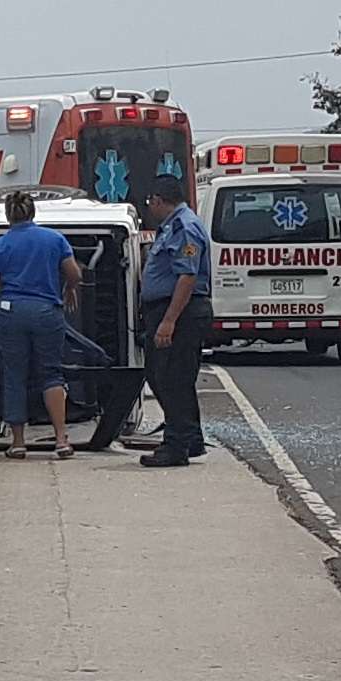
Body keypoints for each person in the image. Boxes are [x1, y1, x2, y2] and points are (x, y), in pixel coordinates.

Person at [0, 191, 82, 459]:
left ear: (8, 215)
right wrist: (69, 289)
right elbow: (74, 274)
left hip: (11, 313)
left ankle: (18, 442)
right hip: (47, 312)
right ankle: (61, 440)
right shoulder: (54, 239)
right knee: (51, 373)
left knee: (14, 375)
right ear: (33, 212)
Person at [137, 175, 211, 467]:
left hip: (180, 312)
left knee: (170, 379)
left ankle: (175, 446)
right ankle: (190, 438)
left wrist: (169, 321)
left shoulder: (183, 228)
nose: (150, 207)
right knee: (170, 376)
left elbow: (187, 275)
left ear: (157, 200)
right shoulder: (174, 226)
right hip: (175, 310)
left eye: (150, 202)